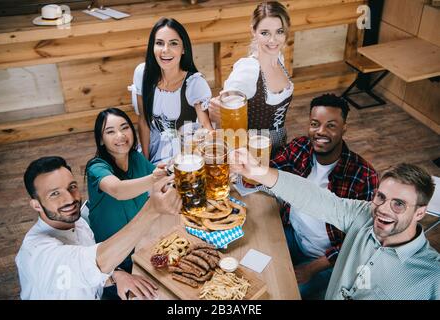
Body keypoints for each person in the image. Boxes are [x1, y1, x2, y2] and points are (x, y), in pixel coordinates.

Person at [230, 150, 439, 300]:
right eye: (381, 197)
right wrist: (259, 173)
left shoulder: (432, 276)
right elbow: (318, 199)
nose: (384, 209)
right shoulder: (364, 214)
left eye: (399, 204)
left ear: (420, 212)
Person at [258, 93, 379, 299]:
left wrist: (312, 268)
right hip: (295, 236)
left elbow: (362, 242)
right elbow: (270, 171)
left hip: (327, 260)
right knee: (255, 264)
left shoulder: (364, 175)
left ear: (344, 128)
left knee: (282, 293)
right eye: (315, 124)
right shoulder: (301, 147)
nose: (321, 131)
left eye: (331, 125)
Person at [16, 156, 181, 300]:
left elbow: (88, 267)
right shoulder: (36, 254)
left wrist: (116, 275)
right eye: (54, 194)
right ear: (36, 205)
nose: (69, 199)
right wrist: (152, 209)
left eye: (72, 187)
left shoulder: (78, 222)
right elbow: (94, 263)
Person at [85, 108, 166, 274]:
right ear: (101, 140)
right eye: (110, 131)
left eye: (124, 128)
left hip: (140, 244)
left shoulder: (135, 157)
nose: (120, 135)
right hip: (113, 259)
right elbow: (117, 190)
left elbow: (158, 175)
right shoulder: (96, 168)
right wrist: (155, 178)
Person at [210, 1, 293, 155]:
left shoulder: (279, 59)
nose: (273, 40)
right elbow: (223, 118)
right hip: (253, 153)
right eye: (265, 33)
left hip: (280, 148)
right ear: (253, 31)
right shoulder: (248, 70)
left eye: (279, 31)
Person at [130, 17, 213, 164]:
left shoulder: (194, 83)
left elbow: (207, 128)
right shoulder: (142, 73)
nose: (165, 50)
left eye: (173, 43)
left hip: (185, 153)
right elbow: (143, 120)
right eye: (159, 43)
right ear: (152, 47)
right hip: (153, 148)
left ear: (183, 49)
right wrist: (146, 163)